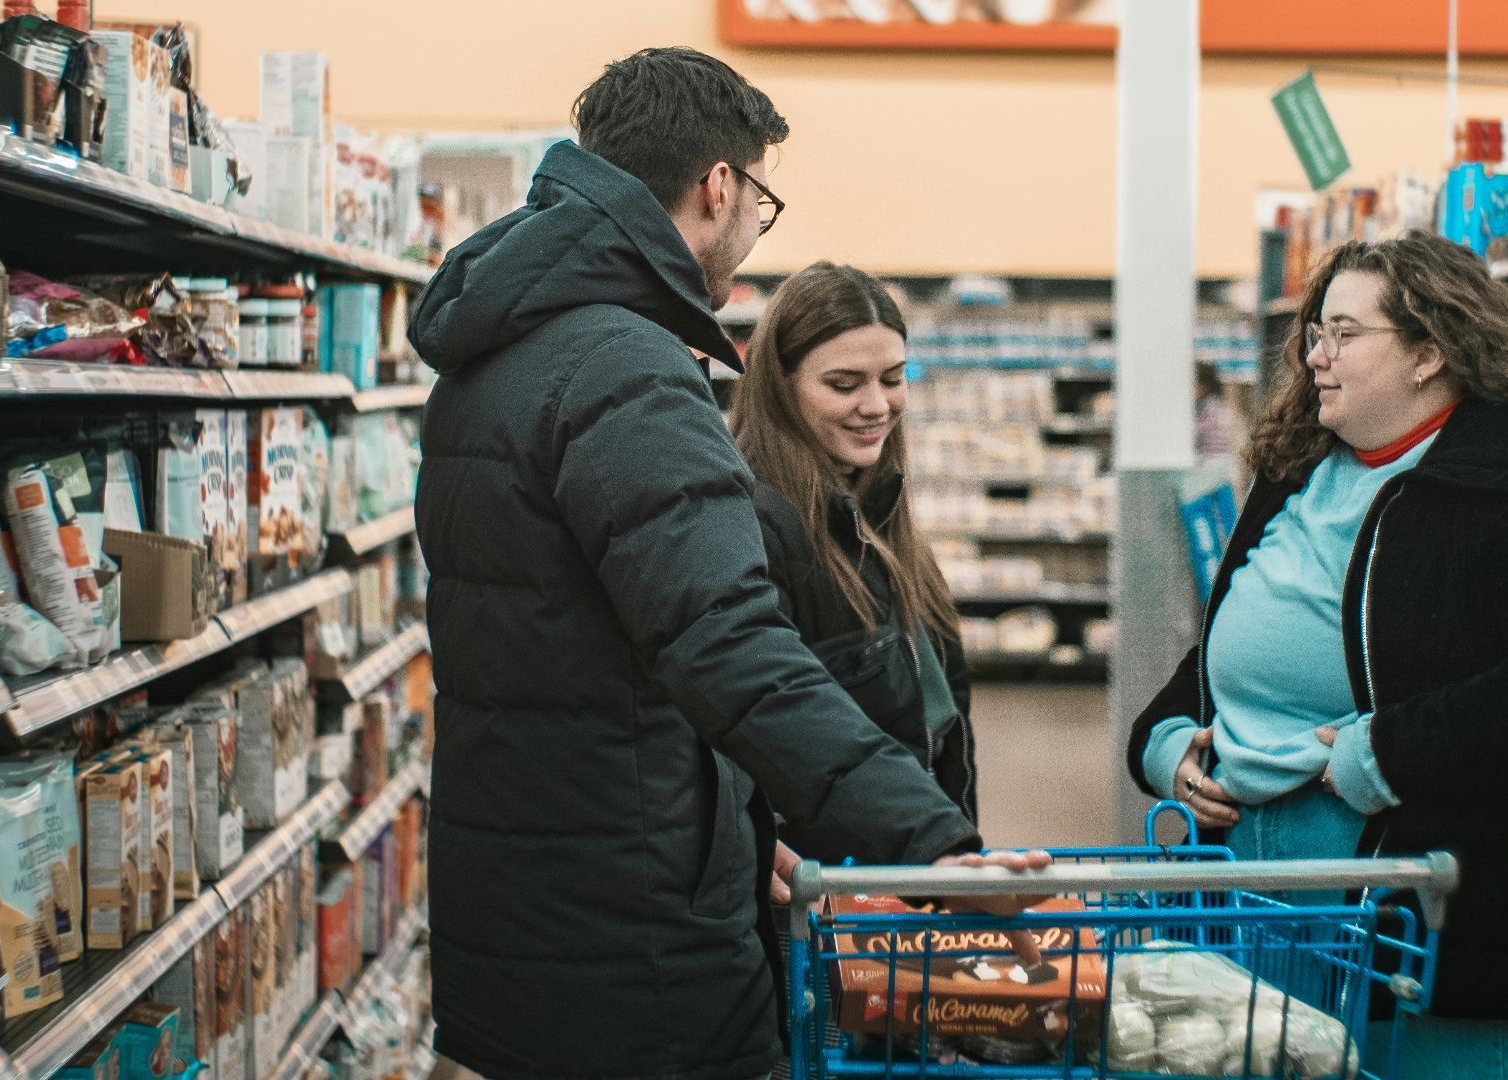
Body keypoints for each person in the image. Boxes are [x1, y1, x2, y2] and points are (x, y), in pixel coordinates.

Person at [409, 48, 1044, 1080]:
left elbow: (585, 651)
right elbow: (730, 646)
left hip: (526, 893)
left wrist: (746, 836)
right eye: (761, 200)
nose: (755, 228)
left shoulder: (497, 351)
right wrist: (939, 850)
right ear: (721, 186)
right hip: (638, 931)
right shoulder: (628, 368)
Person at [1125, 230, 1508, 1078]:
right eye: (1314, 335)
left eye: (1346, 334)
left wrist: (1390, 752)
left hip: (1431, 907)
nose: (1317, 358)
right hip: (1255, 900)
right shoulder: (1298, 467)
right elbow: (1235, 639)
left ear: (1430, 353)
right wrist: (1166, 737)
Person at [730, 262, 977, 870]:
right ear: (780, 388)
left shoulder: (879, 508)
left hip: (907, 868)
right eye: (844, 384)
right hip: (831, 889)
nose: (877, 406)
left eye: (893, 379)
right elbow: (765, 725)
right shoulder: (755, 526)